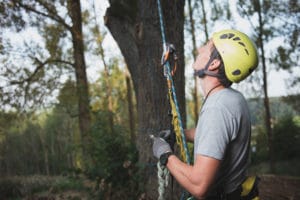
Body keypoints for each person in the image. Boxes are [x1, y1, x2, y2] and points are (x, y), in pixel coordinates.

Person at [152, 29, 259, 199]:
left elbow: (199, 185)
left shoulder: (217, 108)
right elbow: (214, 135)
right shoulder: (231, 98)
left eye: (206, 47)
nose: (199, 50)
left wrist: (165, 155)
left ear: (214, 63)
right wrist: (180, 134)